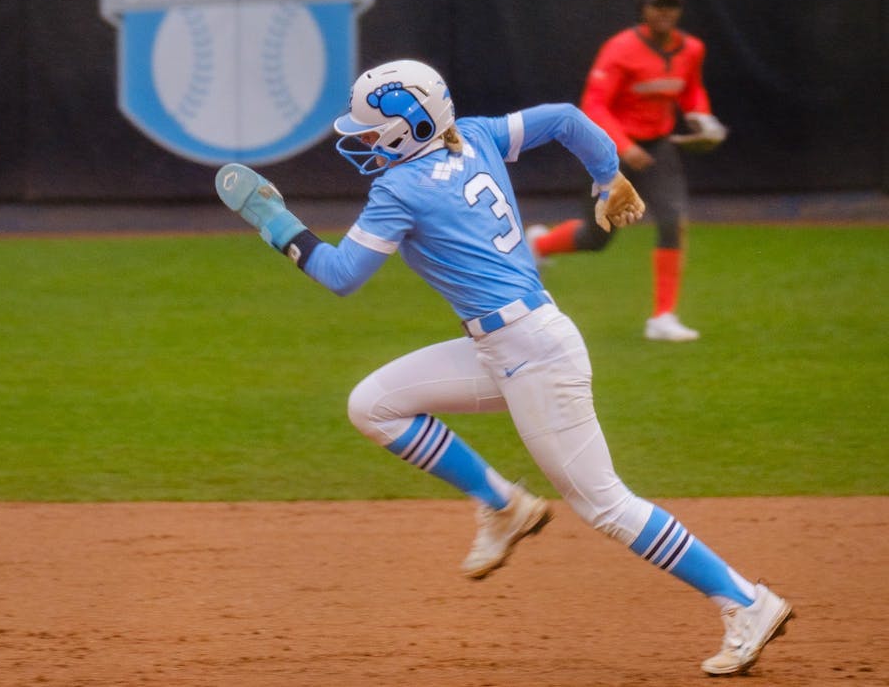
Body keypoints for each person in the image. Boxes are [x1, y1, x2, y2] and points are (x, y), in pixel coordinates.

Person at [215, 59, 790, 675]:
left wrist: (274, 222)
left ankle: (745, 601)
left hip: (531, 354)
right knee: (374, 406)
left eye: (373, 129)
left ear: (409, 126)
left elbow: (340, 275)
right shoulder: (476, 134)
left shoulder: (399, 189)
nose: (365, 140)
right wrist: (607, 177)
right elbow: (566, 118)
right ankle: (503, 504)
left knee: (605, 505)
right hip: (514, 343)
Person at [528, 0, 728, 342]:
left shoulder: (691, 49)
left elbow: (691, 90)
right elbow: (593, 105)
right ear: (643, 9)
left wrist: (701, 117)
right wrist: (623, 145)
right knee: (597, 236)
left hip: (659, 147)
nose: (665, 12)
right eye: (658, 5)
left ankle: (663, 317)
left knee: (673, 221)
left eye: (672, 5)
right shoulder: (620, 49)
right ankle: (538, 246)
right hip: (609, 151)